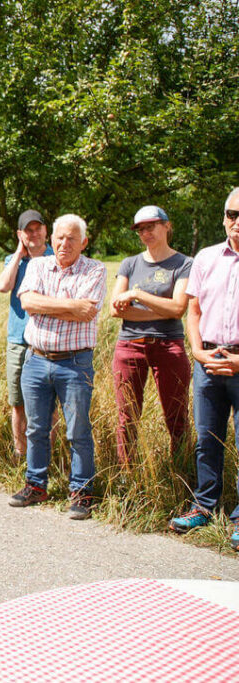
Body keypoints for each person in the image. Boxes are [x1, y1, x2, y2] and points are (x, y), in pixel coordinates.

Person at [9, 214, 106, 520]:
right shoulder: (37, 265)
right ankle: (36, 484)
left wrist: (45, 303)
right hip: (36, 359)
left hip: (75, 363)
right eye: (60, 238)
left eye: (72, 238)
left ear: (84, 242)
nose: (65, 244)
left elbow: (87, 311)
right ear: (52, 240)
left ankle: (81, 491)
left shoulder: (96, 269)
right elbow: (27, 303)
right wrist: (70, 305)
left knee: (77, 430)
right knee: (37, 427)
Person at [169, 188, 239, 550]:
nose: (237, 223)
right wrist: (197, 351)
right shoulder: (207, 258)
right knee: (206, 440)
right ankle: (205, 506)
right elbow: (193, 311)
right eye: (232, 214)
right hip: (208, 362)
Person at [109, 206, 192, 466]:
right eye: (140, 229)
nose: (145, 233)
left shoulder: (184, 264)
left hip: (169, 346)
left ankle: (180, 476)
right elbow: (115, 309)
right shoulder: (129, 263)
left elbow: (179, 308)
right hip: (129, 347)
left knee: (176, 415)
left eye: (151, 226)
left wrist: (137, 295)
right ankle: (127, 477)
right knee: (127, 416)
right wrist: (162, 310)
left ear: (167, 225)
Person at [0, 210, 53, 459]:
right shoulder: (13, 259)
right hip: (19, 341)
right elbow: (2, 286)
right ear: (20, 234)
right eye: (28, 230)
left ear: (46, 230)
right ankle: (20, 452)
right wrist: (19, 253)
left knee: (48, 404)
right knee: (17, 402)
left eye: (38, 228)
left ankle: (48, 453)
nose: (34, 233)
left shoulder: (56, 257)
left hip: (48, 340)